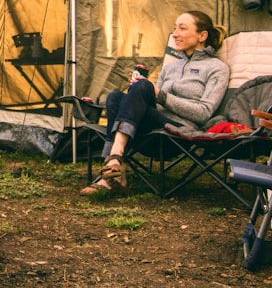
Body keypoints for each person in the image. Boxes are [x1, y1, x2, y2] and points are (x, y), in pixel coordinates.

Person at [81, 10, 230, 196]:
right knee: (115, 97)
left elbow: (204, 112)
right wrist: (137, 93)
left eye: (182, 28)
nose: (175, 34)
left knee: (142, 87)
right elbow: (152, 101)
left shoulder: (217, 68)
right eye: (175, 28)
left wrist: (160, 94)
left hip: (178, 133)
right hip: (150, 130)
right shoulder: (171, 67)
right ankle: (116, 167)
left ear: (202, 35)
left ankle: (113, 162)